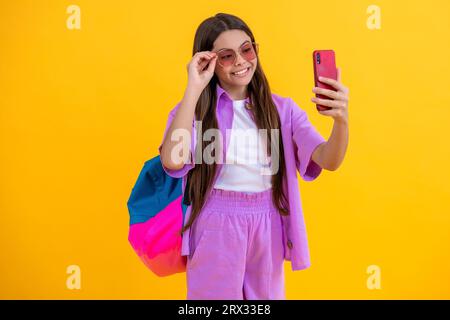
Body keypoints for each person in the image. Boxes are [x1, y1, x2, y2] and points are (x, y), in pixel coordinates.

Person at [159, 13, 349, 300]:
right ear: (209, 62)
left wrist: (341, 121)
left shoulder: (282, 110)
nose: (240, 61)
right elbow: (173, 160)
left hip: (267, 222)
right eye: (226, 56)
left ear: (256, 50)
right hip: (215, 223)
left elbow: (329, 159)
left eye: (246, 49)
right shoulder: (193, 112)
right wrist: (193, 88)